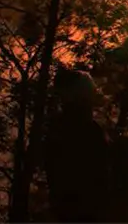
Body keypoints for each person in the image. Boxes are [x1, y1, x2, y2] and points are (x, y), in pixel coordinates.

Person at [45, 69, 111, 223]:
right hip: (85, 211)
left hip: (67, 209)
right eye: (89, 91)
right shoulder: (86, 128)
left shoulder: (58, 126)